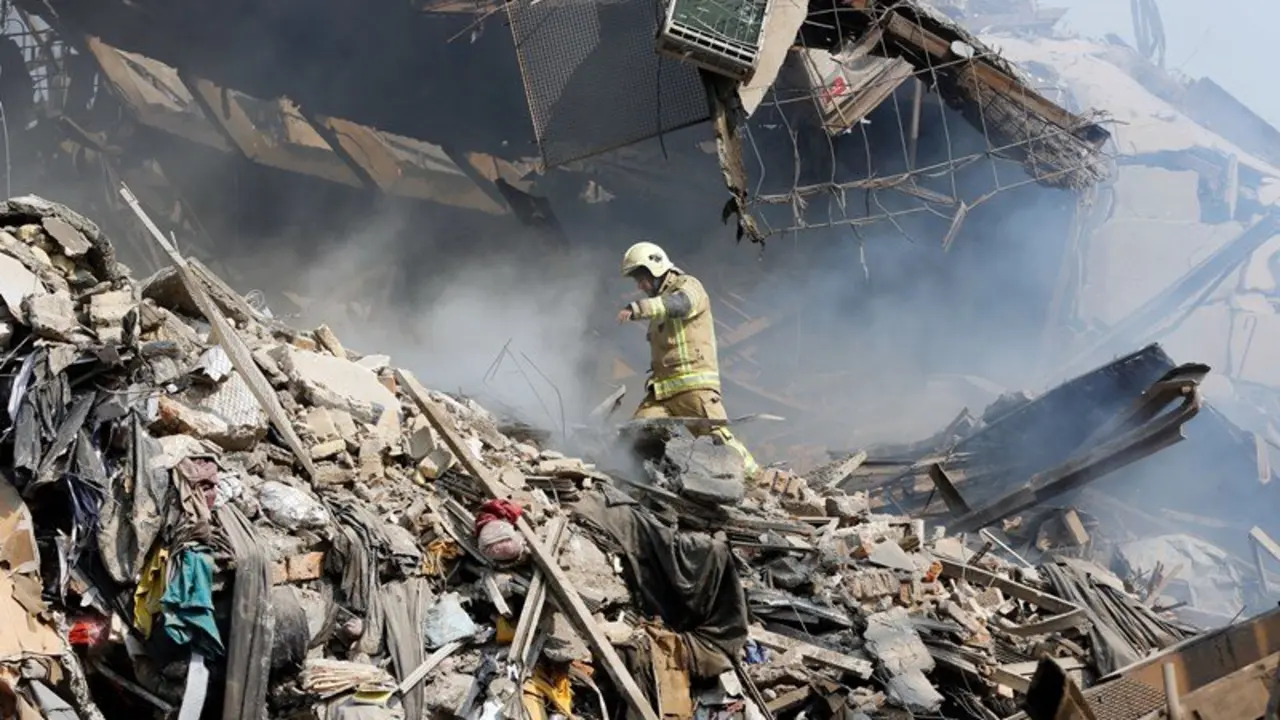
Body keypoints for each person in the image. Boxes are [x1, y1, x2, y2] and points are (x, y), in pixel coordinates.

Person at [616, 241, 759, 479]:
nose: (640, 285)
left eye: (642, 277)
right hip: (661, 393)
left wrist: (638, 308)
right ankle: (647, 488)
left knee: (718, 441)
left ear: (656, 267)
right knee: (635, 435)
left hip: (694, 389)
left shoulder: (689, 287)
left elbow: (681, 304)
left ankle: (758, 483)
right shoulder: (659, 307)